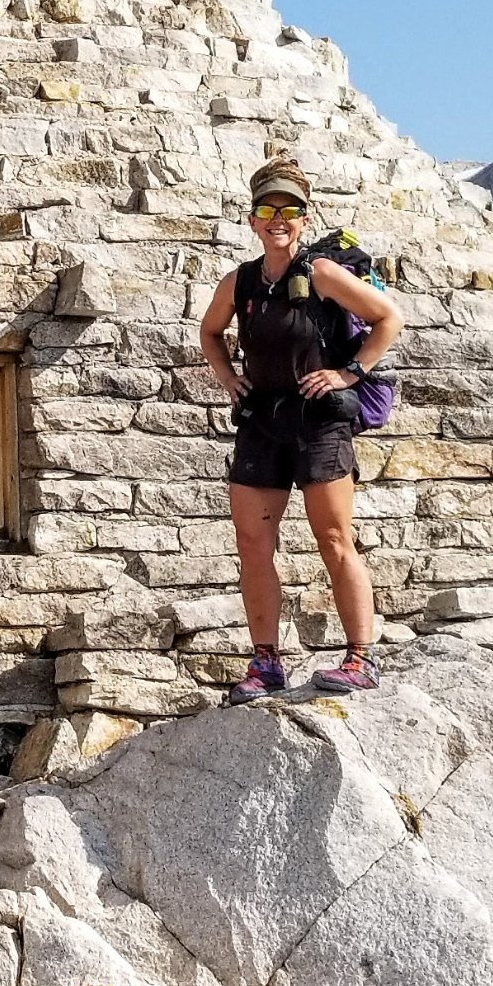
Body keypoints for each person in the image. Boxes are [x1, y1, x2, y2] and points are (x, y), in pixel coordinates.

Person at [197, 159, 403, 702]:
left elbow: (388, 318)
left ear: (304, 219)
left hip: (320, 423)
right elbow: (210, 332)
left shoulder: (324, 274)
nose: (278, 219)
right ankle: (266, 663)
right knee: (252, 544)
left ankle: (360, 658)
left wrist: (348, 372)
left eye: (289, 210)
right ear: (252, 220)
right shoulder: (239, 282)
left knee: (333, 538)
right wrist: (228, 377)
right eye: (267, 210)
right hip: (261, 423)